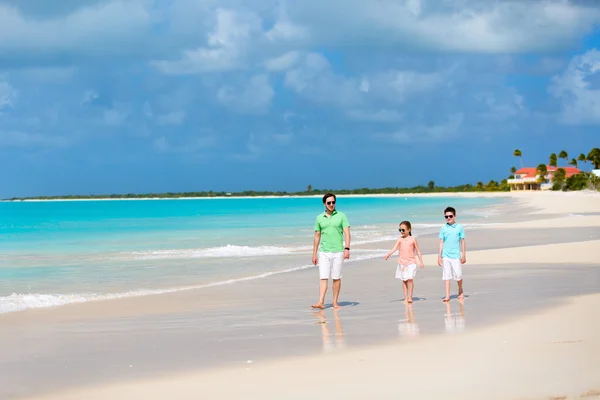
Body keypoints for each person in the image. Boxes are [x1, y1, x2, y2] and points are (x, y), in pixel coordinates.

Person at [311, 193, 351, 309]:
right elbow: (317, 236)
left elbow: (347, 233)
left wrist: (347, 248)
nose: (331, 204)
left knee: (336, 277)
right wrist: (314, 254)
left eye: (333, 202)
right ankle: (321, 301)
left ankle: (334, 302)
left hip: (338, 251)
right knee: (323, 277)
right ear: (324, 204)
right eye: (329, 203)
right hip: (324, 252)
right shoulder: (319, 218)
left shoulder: (341, 216)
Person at [384, 221, 424, 303]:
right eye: (400, 230)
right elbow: (394, 248)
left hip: (411, 262)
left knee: (410, 279)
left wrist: (421, 261)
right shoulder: (400, 239)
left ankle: (410, 297)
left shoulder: (413, 239)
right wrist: (388, 254)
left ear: (409, 229)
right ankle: (405, 297)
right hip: (402, 263)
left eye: (403, 230)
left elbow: (418, 251)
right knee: (404, 280)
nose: (401, 232)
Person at [438, 206, 466, 302]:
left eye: (450, 216)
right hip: (445, 255)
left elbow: (462, 241)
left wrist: (464, 255)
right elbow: (441, 242)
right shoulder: (443, 228)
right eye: (446, 216)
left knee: (458, 275)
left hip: (456, 255)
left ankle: (460, 290)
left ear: (455, 216)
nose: (448, 218)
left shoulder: (459, 228)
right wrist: (439, 256)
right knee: (446, 275)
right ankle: (447, 295)